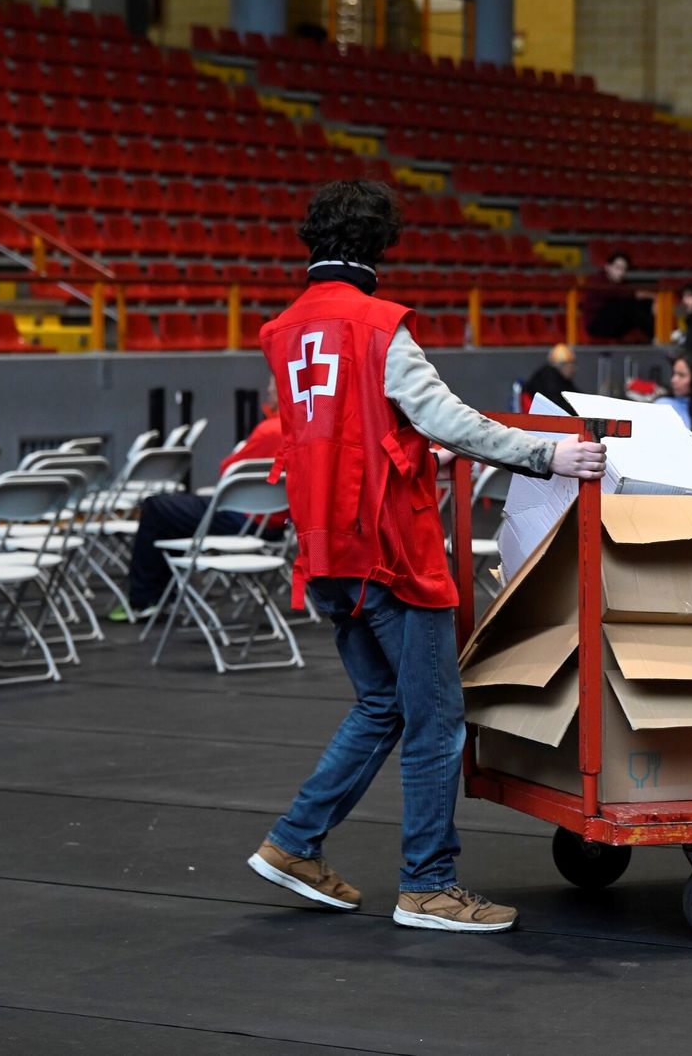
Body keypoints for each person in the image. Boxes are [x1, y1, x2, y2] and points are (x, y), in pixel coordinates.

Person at [248, 179, 606, 934]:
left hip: (324, 546)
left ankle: (293, 843)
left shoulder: (283, 331)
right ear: (380, 248)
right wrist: (550, 455)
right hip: (390, 550)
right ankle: (429, 884)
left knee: (382, 705)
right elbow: (448, 418)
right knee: (439, 720)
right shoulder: (379, 326)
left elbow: (343, 428)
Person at [117, 387, 284, 622]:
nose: (267, 390)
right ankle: (162, 596)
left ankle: (146, 599)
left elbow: (229, 470)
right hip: (276, 522)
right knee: (170, 513)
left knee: (156, 507)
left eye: (272, 384)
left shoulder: (271, 430)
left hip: (244, 518)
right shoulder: (304, 429)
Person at [581, 250, 654, 342]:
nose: (621, 272)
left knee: (644, 304)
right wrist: (653, 296)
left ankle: (658, 335)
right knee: (626, 305)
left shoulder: (622, 283)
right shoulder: (597, 281)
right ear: (607, 267)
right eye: (617, 268)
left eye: (624, 269)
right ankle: (654, 335)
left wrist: (652, 302)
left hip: (615, 322)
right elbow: (626, 294)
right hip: (596, 324)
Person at [520, 343, 578, 411]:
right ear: (562, 365)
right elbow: (556, 404)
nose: (574, 369)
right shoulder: (549, 378)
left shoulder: (562, 378)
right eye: (571, 364)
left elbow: (574, 395)